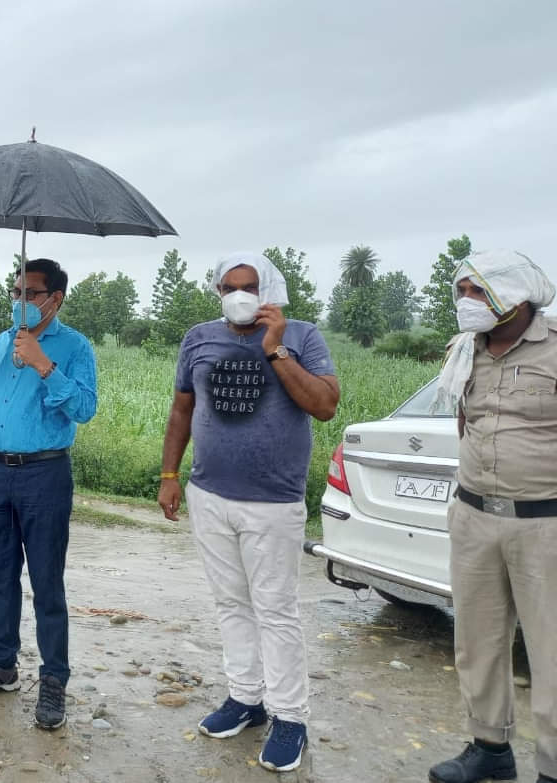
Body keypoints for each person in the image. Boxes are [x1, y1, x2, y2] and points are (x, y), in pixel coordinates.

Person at [158, 251, 338, 773]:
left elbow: (324, 406)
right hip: (210, 494)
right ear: (218, 292)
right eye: (228, 287)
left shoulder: (301, 336)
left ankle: (290, 717)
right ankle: (245, 697)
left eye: (250, 286)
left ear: (269, 290)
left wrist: (275, 347)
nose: (238, 295)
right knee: (231, 603)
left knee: (275, 610)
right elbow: (182, 408)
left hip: (273, 502)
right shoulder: (198, 338)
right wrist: (170, 475)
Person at [427, 250, 557, 783]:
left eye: (477, 291)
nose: (466, 301)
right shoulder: (463, 350)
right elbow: (467, 424)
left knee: (551, 650)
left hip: (545, 524)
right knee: (477, 641)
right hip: (475, 516)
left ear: (515, 295)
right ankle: (490, 748)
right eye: (461, 291)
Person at [0, 258, 97, 730]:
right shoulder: (0, 344)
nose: (20, 301)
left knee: (47, 582)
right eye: (16, 291)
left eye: (30, 293)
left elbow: (84, 408)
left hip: (45, 474)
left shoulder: (74, 347)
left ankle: (53, 680)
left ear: (56, 298)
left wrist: (43, 365)